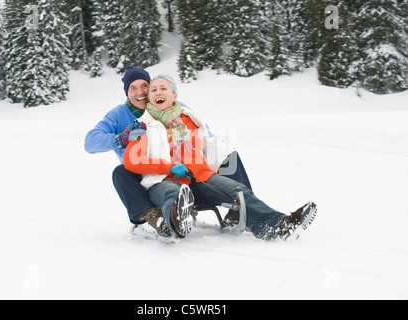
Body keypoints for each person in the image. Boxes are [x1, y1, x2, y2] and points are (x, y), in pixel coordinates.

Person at [123, 74, 317, 240]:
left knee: (238, 191)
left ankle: (277, 226)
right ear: (149, 98)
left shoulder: (190, 119)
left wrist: (224, 153)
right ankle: (176, 225)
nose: (158, 92)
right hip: (163, 181)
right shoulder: (143, 126)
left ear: (174, 95)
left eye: (163, 88)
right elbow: (131, 159)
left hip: (199, 177)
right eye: (154, 89)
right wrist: (168, 167)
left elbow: (206, 146)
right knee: (171, 196)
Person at [85, 66, 253, 225]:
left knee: (225, 151)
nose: (141, 92)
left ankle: (244, 207)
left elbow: (204, 133)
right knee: (120, 173)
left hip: (180, 167)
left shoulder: (171, 106)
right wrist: (121, 139)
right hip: (145, 171)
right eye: (133, 88)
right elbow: (90, 142)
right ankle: (150, 214)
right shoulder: (119, 114)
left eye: (145, 86)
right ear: (127, 93)